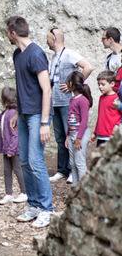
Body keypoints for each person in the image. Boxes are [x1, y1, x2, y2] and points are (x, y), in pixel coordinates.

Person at [5, 15, 53, 228]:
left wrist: (44, 122)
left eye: (7, 32)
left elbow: (47, 90)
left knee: (35, 161)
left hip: (37, 117)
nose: (7, 35)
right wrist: (18, 113)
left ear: (13, 33)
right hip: (25, 114)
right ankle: (33, 205)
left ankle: (46, 209)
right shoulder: (17, 54)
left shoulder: (36, 54)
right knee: (24, 161)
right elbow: (24, 88)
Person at [46, 28, 94, 184]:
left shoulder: (69, 54)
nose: (46, 41)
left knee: (72, 136)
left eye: (48, 38)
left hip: (68, 102)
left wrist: (74, 86)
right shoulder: (53, 57)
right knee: (61, 138)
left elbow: (88, 67)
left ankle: (73, 171)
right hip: (55, 102)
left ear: (54, 38)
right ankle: (62, 170)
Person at [64, 71, 92, 187]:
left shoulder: (83, 100)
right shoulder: (72, 99)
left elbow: (84, 121)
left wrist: (79, 138)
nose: (66, 85)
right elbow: (70, 120)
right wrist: (67, 136)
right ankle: (75, 190)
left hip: (80, 135)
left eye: (67, 83)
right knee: (72, 163)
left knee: (80, 163)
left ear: (72, 84)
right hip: (72, 135)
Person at [91, 70, 122, 147]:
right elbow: (100, 116)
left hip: (112, 137)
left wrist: (118, 125)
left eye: (103, 84)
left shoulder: (117, 99)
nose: (100, 87)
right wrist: (95, 132)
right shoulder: (101, 98)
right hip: (100, 136)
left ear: (112, 84)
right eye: (99, 84)